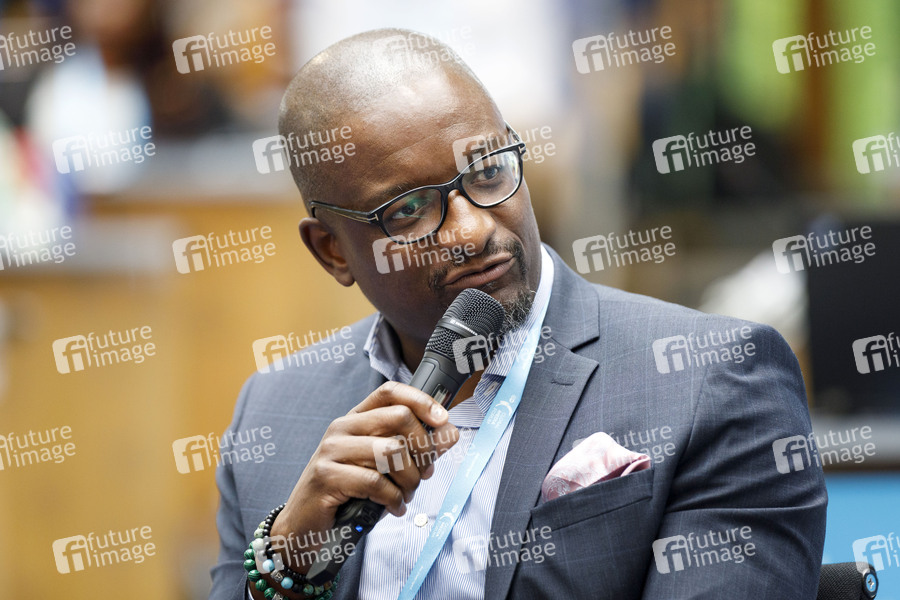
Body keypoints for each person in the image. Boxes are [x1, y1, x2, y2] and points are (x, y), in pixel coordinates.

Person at [210, 28, 826, 600]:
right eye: (408, 211)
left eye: (487, 171)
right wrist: (288, 566)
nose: (473, 230)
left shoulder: (711, 380)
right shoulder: (273, 413)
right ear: (333, 251)